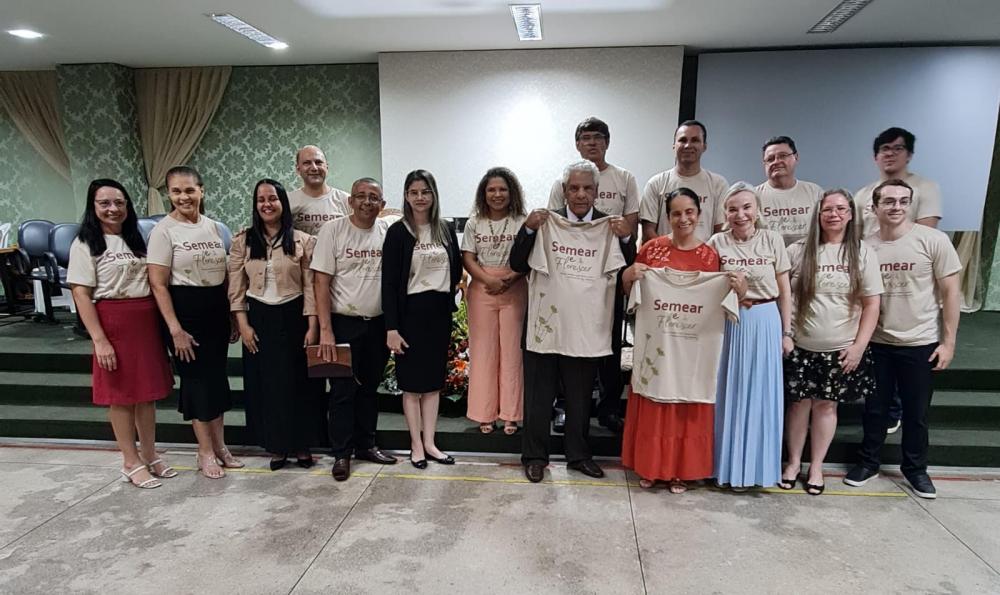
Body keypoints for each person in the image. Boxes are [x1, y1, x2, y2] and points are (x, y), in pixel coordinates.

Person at [510, 160, 635, 483]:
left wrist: (624, 240)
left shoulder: (610, 228)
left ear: (596, 192)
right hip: (545, 326)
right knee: (539, 396)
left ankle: (579, 456)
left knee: (580, 397)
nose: (580, 194)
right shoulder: (545, 222)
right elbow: (517, 263)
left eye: (587, 188)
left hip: (586, 326)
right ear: (564, 191)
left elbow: (627, 273)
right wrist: (527, 229)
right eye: (574, 188)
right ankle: (535, 457)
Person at [620, 188, 746, 494]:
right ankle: (651, 467)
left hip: (692, 348)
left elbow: (723, 302)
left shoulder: (709, 256)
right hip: (658, 345)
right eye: (676, 213)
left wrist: (739, 289)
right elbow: (631, 293)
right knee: (653, 398)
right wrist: (628, 275)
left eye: (689, 212)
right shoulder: (651, 250)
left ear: (699, 215)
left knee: (687, 402)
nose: (683, 218)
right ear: (668, 217)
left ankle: (681, 471)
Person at [844, 179, 961, 499]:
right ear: (875, 207)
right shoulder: (864, 246)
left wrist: (948, 342)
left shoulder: (933, 241)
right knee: (875, 410)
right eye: (889, 201)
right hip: (878, 342)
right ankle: (868, 463)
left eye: (903, 201)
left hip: (920, 342)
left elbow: (951, 292)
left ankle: (916, 470)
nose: (896, 207)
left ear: (910, 205)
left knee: (916, 413)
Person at [68, 179, 175, 489]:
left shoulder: (136, 240)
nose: (113, 209)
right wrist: (100, 340)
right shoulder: (85, 243)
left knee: (147, 395)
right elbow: (81, 293)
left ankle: (150, 453)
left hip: (145, 322)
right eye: (105, 203)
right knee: (122, 396)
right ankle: (130, 460)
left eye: (119, 203)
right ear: (93, 207)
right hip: (114, 323)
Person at [783, 189, 883, 495]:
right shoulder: (798, 251)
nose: (834, 214)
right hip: (801, 345)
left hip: (840, 348)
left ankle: (816, 467)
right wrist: (786, 333)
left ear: (851, 214)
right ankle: (793, 462)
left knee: (826, 407)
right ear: (818, 214)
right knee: (798, 406)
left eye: (841, 209)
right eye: (828, 209)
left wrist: (858, 347)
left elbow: (871, 305)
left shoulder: (862, 252)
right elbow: (784, 297)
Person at [148, 166, 241, 479]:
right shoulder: (163, 231)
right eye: (176, 191)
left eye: (189, 190)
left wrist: (231, 315)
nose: (183, 197)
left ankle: (221, 446)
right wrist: (175, 329)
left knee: (216, 380)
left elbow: (228, 273)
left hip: (215, 308)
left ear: (201, 190)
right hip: (185, 313)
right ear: (169, 195)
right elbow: (158, 284)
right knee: (197, 383)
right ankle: (204, 452)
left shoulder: (217, 228)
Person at [546, 117, 639, 433]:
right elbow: (554, 226)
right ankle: (563, 407)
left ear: (607, 142)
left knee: (610, 344)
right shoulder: (564, 178)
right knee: (565, 342)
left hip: (607, 277)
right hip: (571, 278)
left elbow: (630, 227)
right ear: (577, 143)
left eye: (598, 138)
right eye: (585, 138)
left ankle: (609, 408)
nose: (592, 143)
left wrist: (623, 236)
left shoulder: (624, 178)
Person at [854, 127, 943, 433]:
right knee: (877, 344)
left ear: (909, 153)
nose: (890, 154)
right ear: (875, 156)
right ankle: (884, 410)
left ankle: (899, 411)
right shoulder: (864, 194)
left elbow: (925, 234)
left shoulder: (924, 187)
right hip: (871, 275)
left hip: (908, 279)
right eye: (884, 149)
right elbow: (855, 239)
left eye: (897, 148)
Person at [228, 179, 318, 471]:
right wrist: (242, 323)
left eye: (273, 199)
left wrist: (312, 324)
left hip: (293, 316)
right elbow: (236, 286)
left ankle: (302, 444)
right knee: (267, 386)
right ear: (256, 206)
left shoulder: (302, 240)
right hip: (259, 318)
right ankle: (277, 445)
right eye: (261, 200)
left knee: (298, 384)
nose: (267, 204)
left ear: (283, 203)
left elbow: (311, 286)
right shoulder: (243, 241)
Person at [312, 177, 399, 481]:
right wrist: (326, 330)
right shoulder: (332, 231)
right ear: (350, 200)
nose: (366, 202)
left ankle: (366, 445)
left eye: (374, 197)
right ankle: (341, 454)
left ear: (382, 205)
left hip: (377, 325)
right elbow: (320, 282)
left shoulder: (386, 231)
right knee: (341, 392)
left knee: (369, 389)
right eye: (360, 196)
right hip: (342, 324)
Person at [708, 182, 793, 489]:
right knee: (728, 393)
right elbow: (708, 284)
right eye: (732, 209)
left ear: (758, 210)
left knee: (760, 395)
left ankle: (757, 471)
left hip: (766, 321)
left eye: (746, 207)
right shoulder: (717, 241)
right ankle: (723, 468)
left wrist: (787, 331)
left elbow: (785, 290)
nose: (740, 214)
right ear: (725, 213)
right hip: (730, 322)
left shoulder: (772, 240)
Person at [381, 170, 463, 469]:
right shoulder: (398, 232)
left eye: (425, 191)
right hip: (409, 315)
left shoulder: (444, 228)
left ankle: (430, 443)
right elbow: (388, 284)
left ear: (434, 195)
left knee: (432, 384)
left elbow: (454, 270)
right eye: (413, 192)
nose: (420, 197)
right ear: (406, 196)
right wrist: (391, 327)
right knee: (412, 385)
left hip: (439, 312)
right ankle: (415, 444)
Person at [462, 167, 528, 435]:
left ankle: (511, 414)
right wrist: (487, 280)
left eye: (502, 189)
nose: (497, 194)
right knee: (484, 353)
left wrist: (511, 277)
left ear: (511, 192)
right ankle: (484, 414)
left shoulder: (522, 221)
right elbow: (467, 257)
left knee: (513, 353)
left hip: (515, 288)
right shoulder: (474, 222)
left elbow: (529, 257)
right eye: (492, 190)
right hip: (482, 290)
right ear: (484, 193)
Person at [640, 120, 729, 243]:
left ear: (704, 146)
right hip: (664, 260)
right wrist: (671, 254)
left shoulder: (718, 184)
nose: (688, 145)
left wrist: (699, 254)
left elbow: (721, 231)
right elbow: (648, 230)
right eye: (682, 140)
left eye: (695, 140)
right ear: (674, 145)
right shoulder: (656, 183)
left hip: (703, 260)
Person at [755, 136, 823, 245]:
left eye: (783, 156)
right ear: (764, 164)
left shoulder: (815, 192)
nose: (776, 162)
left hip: (808, 259)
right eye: (770, 159)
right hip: (770, 259)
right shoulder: (753, 197)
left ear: (796, 157)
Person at [288, 145, 352, 236]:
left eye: (318, 162)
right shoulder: (288, 201)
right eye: (307, 163)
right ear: (298, 169)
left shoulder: (347, 200)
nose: (314, 168)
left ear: (327, 167)